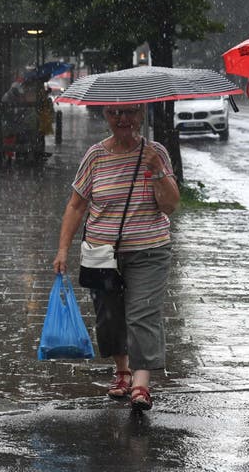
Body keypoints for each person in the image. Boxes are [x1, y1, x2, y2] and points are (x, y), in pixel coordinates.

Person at [53, 103, 180, 411]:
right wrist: (62, 249)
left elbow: (170, 205)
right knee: (110, 318)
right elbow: (76, 205)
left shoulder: (156, 152)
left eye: (131, 112)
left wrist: (158, 171)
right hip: (102, 254)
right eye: (115, 113)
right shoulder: (95, 156)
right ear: (106, 117)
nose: (123, 119)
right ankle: (121, 370)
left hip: (149, 249)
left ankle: (140, 384)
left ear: (141, 115)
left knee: (143, 314)